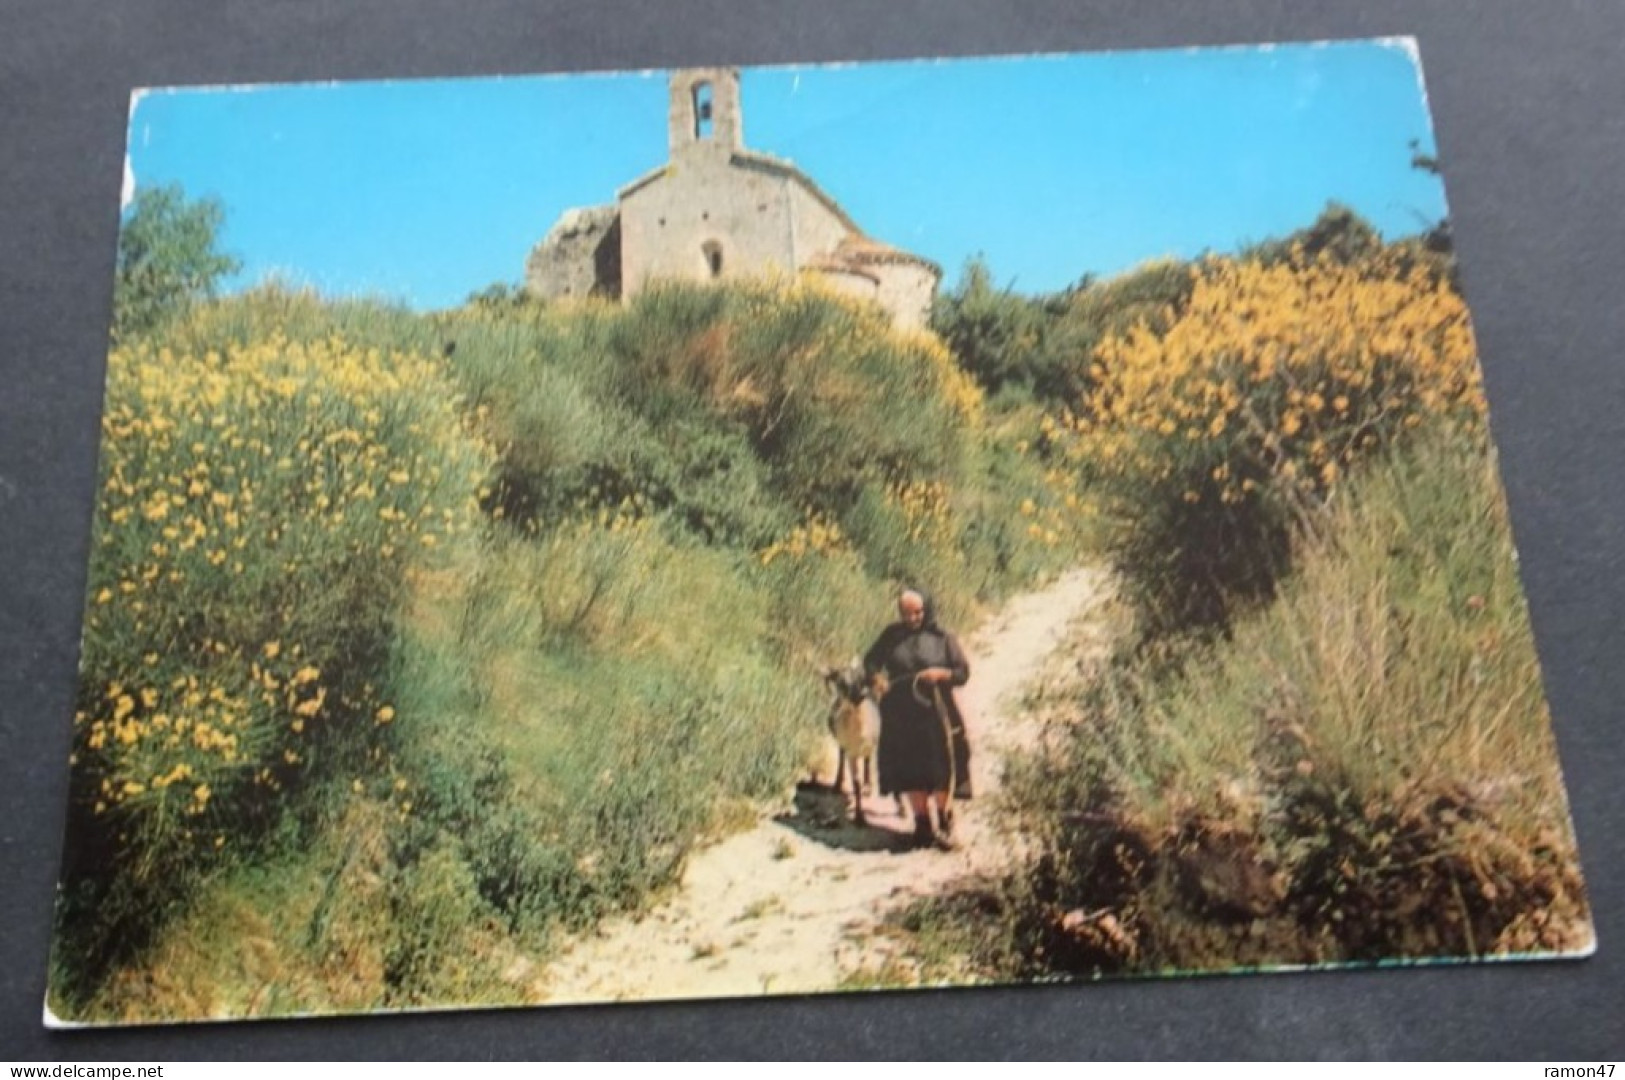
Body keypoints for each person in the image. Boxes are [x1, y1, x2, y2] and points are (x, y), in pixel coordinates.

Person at [863, 587, 972, 850]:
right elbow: (871, 663)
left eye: (917, 612)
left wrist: (940, 674)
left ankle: (945, 821)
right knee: (910, 769)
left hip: (937, 712)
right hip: (900, 714)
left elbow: (962, 672)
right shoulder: (891, 636)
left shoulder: (943, 638)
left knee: (942, 767)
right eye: (906, 613)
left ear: (927, 610)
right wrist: (876, 679)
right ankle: (922, 823)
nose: (912, 618)